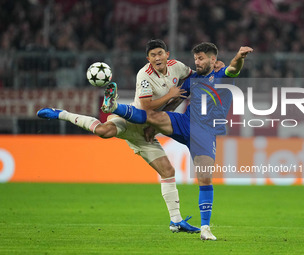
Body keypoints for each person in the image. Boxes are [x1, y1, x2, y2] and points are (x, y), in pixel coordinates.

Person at [37, 39, 201, 233]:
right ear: (148, 59)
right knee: (103, 131)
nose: (157, 58)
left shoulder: (177, 67)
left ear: (168, 54)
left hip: (146, 132)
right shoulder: (144, 75)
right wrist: (171, 95)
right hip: (132, 119)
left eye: (160, 53)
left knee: (168, 171)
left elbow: (195, 77)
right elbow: (148, 106)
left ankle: (176, 221)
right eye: (153, 55)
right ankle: (62, 113)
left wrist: (215, 68)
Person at [100, 42, 253, 240]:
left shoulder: (222, 75)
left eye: (201, 58)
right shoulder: (192, 80)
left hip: (204, 134)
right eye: (196, 58)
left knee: (204, 178)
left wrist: (240, 56)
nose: (197, 62)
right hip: (184, 123)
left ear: (213, 59)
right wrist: (154, 127)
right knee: (153, 115)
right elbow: (174, 102)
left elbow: (234, 68)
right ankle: (113, 107)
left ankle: (205, 229)